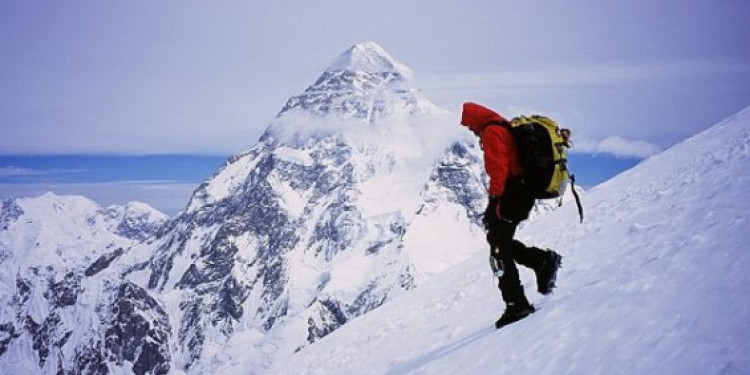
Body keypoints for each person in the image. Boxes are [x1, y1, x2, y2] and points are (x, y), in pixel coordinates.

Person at [460, 102, 562, 328]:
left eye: (470, 126)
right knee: (498, 241)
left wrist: (495, 200)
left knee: (498, 248)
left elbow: (498, 169)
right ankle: (540, 261)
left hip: (511, 194)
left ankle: (517, 303)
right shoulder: (502, 126)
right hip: (520, 192)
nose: (471, 130)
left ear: (475, 119)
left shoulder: (491, 131)